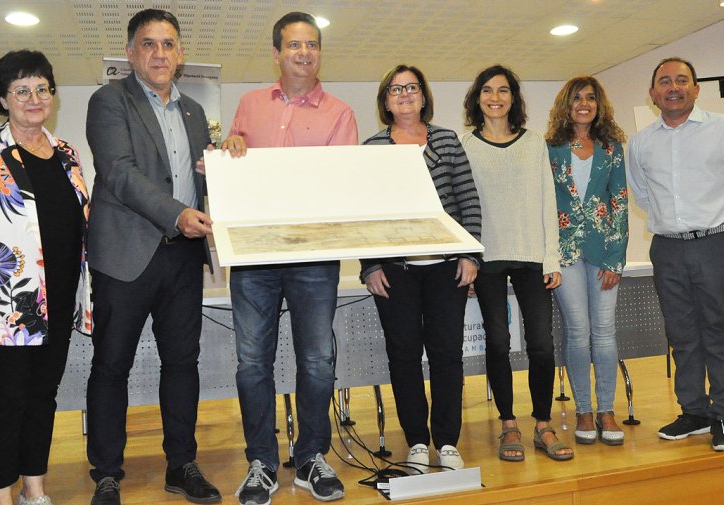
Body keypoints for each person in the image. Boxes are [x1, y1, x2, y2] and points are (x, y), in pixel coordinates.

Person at [221, 11, 358, 505]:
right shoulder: (249, 104)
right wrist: (231, 145)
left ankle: (310, 459)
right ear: (276, 53)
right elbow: (234, 161)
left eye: (312, 44)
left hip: (314, 257)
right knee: (251, 363)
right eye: (294, 45)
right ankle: (260, 461)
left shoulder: (340, 113)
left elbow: (340, 184)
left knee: (318, 361)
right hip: (255, 256)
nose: (304, 52)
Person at [85, 9, 219, 505]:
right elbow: (119, 173)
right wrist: (179, 213)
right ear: (131, 52)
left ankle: (181, 464)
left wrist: (228, 160)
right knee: (111, 365)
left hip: (182, 257)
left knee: (183, 363)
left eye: (168, 44)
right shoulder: (108, 101)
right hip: (125, 255)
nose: (159, 53)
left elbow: (201, 177)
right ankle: (107, 472)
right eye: (148, 44)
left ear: (180, 53)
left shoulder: (194, 113)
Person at [0, 49, 92, 505]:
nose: (34, 98)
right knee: (1, 402)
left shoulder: (67, 155)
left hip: (57, 302)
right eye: (22, 90)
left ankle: (34, 488)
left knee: (42, 397)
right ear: (3, 99)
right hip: (0, 302)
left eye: (42, 88)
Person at [627, 57, 724, 452]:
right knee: (682, 333)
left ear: (696, 88)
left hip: (716, 244)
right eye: (665, 81)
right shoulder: (641, 142)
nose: (674, 87)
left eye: (682, 80)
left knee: (718, 331)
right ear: (653, 94)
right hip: (667, 247)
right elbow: (641, 193)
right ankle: (694, 411)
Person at [360, 65, 482, 474]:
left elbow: (468, 200)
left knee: (447, 355)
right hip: (396, 273)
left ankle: (446, 441)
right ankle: (415, 440)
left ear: (424, 96)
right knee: (404, 356)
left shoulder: (446, 140)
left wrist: (470, 255)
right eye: (396, 89)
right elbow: (366, 215)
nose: (405, 94)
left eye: (412, 87)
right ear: (385, 100)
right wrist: (370, 264)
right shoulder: (372, 147)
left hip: (446, 269)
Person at [460, 65, 572, 462]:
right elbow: (460, 207)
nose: (495, 97)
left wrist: (550, 256)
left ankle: (542, 423)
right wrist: (468, 257)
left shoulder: (532, 143)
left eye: (503, 90)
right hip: (487, 257)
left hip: (530, 257)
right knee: (498, 342)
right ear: (477, 98)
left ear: (513, 98)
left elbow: (547, 200)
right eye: (487, 90)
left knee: (541, 344)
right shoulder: (465, 145)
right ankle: (508, 423)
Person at [546, 76, 628, 446]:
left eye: (591, 98)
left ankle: (607, 409)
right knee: (578, 331)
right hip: (564, 252)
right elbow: (544, 204)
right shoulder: (550, 148)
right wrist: (546, 255)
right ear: (566, 104)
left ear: (600, 105)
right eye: (577, 98)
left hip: (602, 251)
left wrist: (616, 259)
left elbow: (620, 202)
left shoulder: (611, 148)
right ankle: (583, 409)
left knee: (605, 331)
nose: (584, 103)